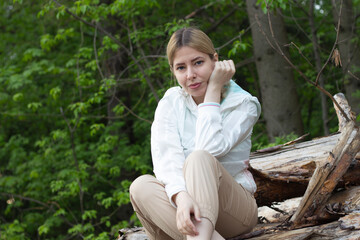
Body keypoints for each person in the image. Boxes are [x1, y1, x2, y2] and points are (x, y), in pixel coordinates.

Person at [129, 27, 261, 240]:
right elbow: (166, 161)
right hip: (188, 208)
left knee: (198, 159)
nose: (190, 75)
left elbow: (209, 149)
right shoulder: (172, 102)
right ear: (173, 70)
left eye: (198, 62)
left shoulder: (243, 104)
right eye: (181, 67)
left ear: (214, 60)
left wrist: (214, 89)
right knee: (140, 187)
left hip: (234, 212)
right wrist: (181, 197)